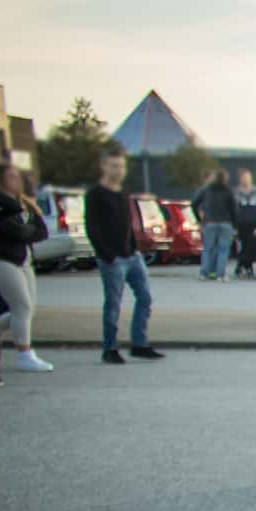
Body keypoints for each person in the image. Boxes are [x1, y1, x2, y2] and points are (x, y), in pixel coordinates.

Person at [85, 146, 161, 364]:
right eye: (113, 166)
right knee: (113, 303)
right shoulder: (95, 194)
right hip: (112, 259)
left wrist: (135, 248)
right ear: (104, 166)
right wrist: (107, 255)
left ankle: (139, 343)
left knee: (145, 297)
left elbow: (127, 223)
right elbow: (93, 228)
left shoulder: (123, 193)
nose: (118, 171)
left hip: (131, 255)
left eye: (121, 166)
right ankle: (110, 348)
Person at [0, 165, 51, 373]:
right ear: (0, 179)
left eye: (18, 176)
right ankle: (24, 354)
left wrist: (29, 229)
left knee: (27, 310)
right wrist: (29, 231)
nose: (17, 180)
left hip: (25, 261)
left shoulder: (25, 203)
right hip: (5, 261)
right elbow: (17, 232)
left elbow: (42, 232)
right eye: (11, 176)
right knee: (22, 307)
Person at [191, 169, 238, 281]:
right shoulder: (228, 191)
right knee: (223, 249)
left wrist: (199, 218)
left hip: (209, 222)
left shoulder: (206, 190)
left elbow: (194, 204)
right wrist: (235, 225)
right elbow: (234, 209)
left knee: (207, 249)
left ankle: (204, 273)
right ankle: (220, 274)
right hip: (225, 222)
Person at [232, 168, 256, 277]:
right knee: (242, 245)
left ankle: (244, 264)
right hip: (241, 223)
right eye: (244, 178)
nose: (246, 180)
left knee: (251, 244)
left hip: (255, 223)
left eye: (248, 178)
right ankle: (244, 265)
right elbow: (232, 208)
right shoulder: (236, 193)